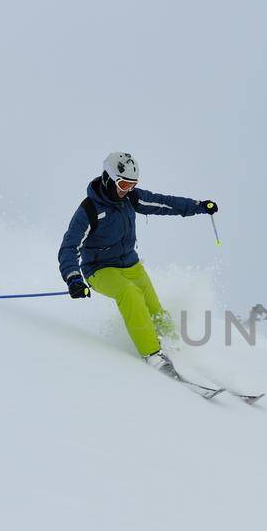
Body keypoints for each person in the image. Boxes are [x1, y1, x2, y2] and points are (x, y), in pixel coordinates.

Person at [58, 151, 217, 378]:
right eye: (123, 184)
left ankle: (176, 351)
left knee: (154, 307)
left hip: (131, 265)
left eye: (132, 185)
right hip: (100, 270)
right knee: (129, 293)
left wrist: (198, 206)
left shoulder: (131, 198)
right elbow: (69, 247)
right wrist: (74, 278)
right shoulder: (89, 210)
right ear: (108, 179)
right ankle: (152, 354)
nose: (127, 190)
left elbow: (164, 203)